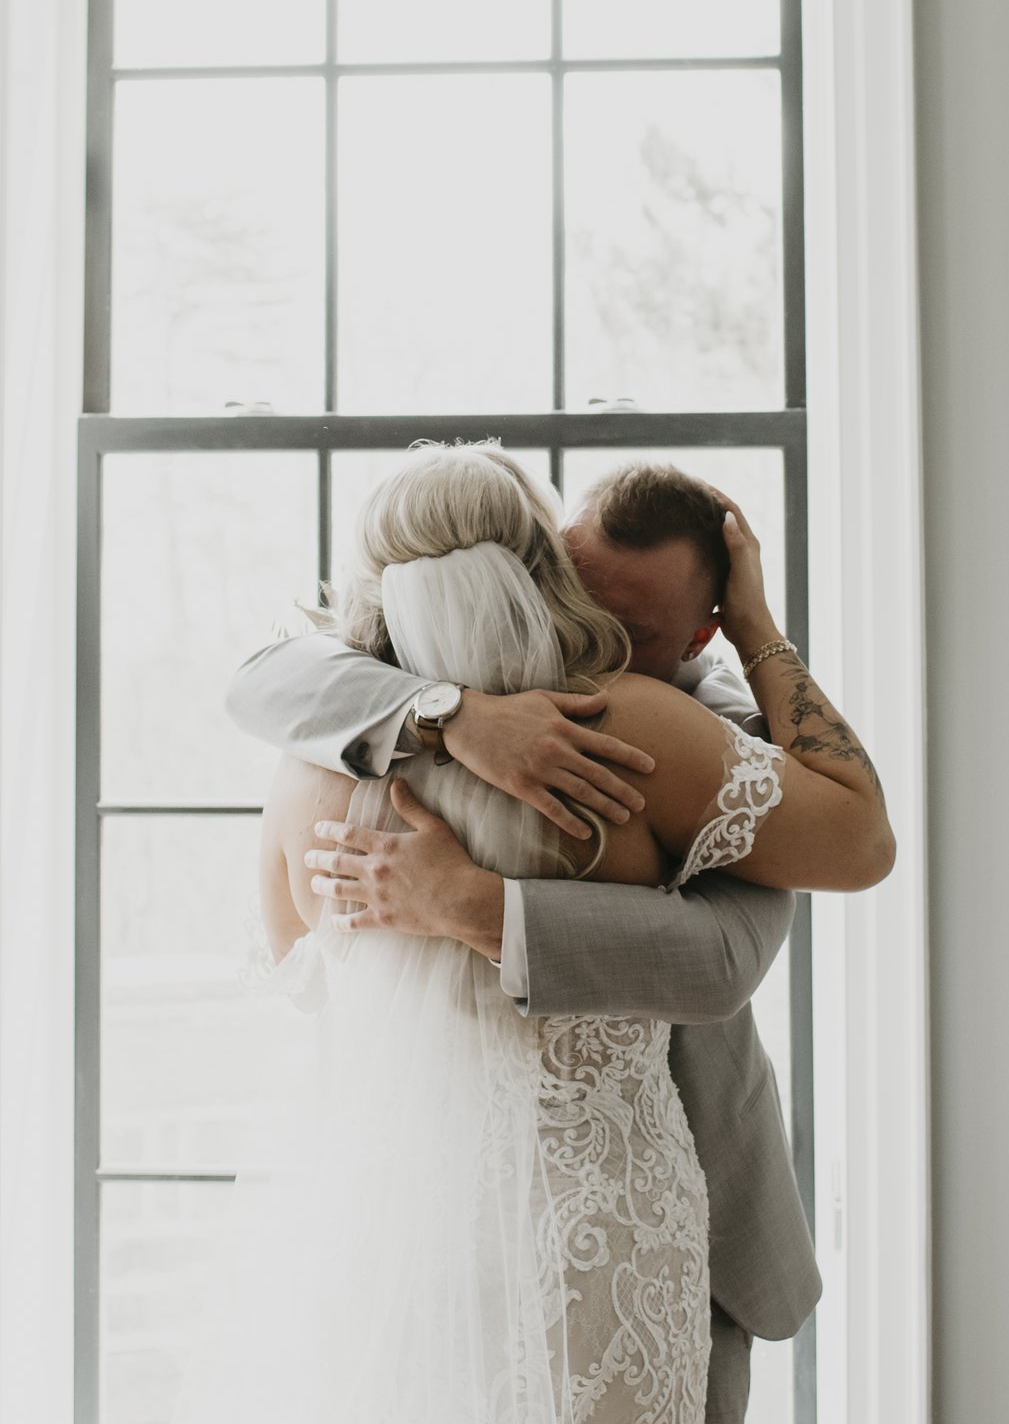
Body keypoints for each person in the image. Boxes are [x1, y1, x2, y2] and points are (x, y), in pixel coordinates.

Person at [214, 448, 894, 1424]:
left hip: (395, 1238)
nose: (607, 642)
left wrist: (463, 909)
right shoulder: (635, 733)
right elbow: (822, 866)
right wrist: (454, 720)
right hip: (609, 1233)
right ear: (544, 564)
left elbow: (299, 986)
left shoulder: (305, 775)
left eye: (641, 631)